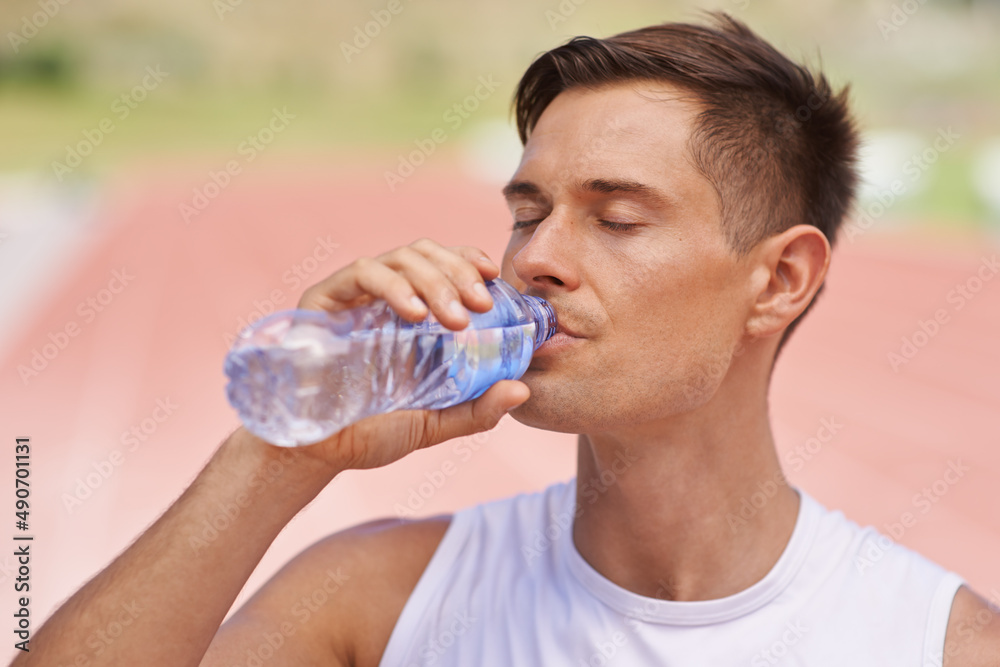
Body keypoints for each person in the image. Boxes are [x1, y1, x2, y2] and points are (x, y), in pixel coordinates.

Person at [16, 12, 999, 667]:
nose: (535, 259)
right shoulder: (379, 598)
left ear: (779, 279)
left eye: (616, 219)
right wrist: (278, 455)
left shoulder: (932, 641)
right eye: (529, 213)